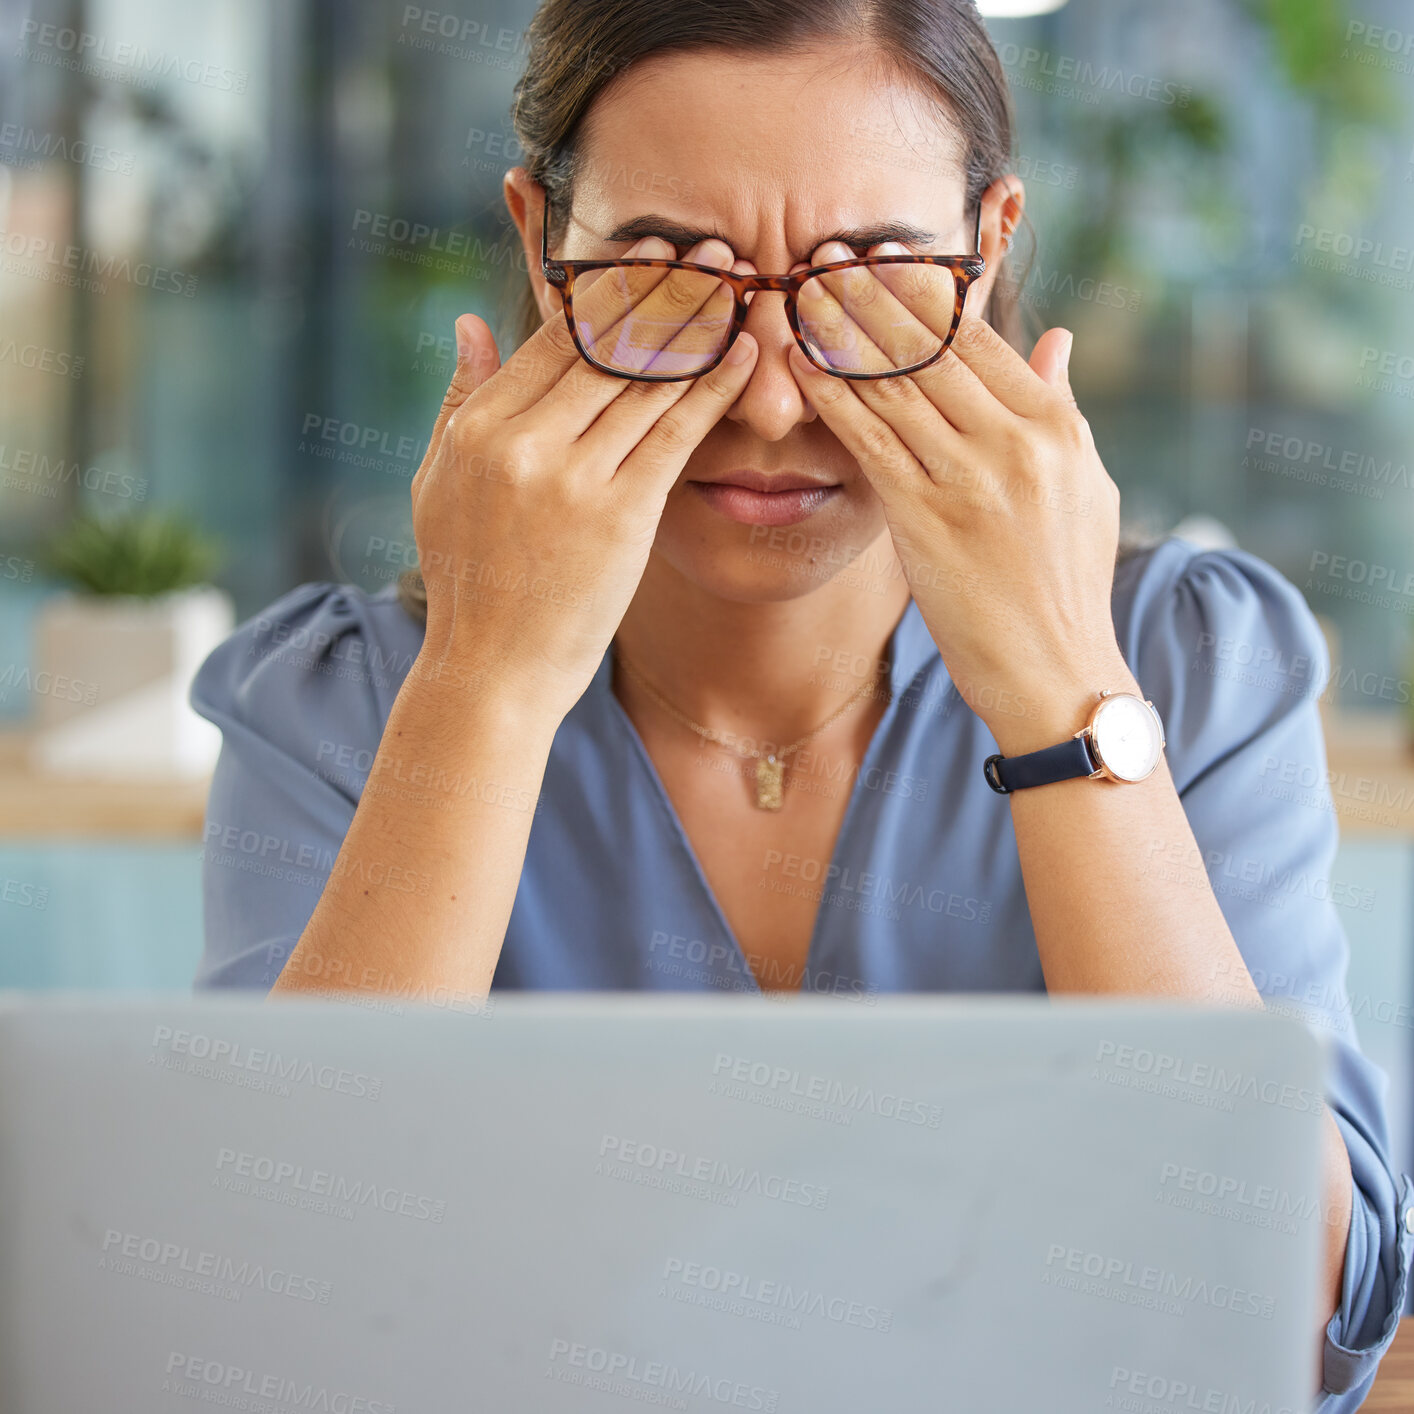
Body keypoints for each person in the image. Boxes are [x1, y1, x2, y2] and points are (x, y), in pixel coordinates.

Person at [188, 1, 1411, 1403]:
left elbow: (1296, 1321)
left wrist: (1055, 681)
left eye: (868, 280)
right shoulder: (343, 708)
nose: (769, 400)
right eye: (666, 276)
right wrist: (488, 681)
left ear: (989, 246)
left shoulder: (1188, 667)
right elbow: (260, 1317)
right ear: (541, 245)